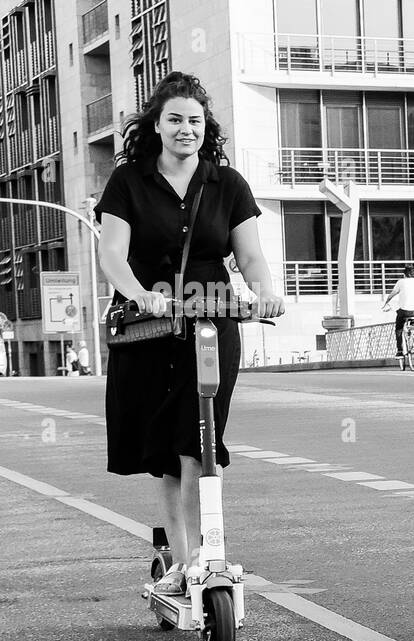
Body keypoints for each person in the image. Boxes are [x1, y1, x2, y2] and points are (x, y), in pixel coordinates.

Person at [95, 72, 284, 596]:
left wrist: (266, 290)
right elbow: (112, 254)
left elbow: (249, 256)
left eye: (194, 121)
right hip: (150, 323)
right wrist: (139, 293)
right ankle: (181, 559)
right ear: (157, 125)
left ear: (207, 128)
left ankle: (205, 554)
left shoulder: (228, 184)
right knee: (165, 449)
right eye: (174, 119)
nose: (185, 129)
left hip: (211, 321)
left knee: (199, 440)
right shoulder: (129, 181)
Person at [381, 266, 414, 358]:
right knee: (412, 326)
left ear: (405, 274)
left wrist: (386, 302)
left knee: (399, 328)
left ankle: (400, 351)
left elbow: (393, 293)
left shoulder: (401, 282)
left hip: (404, 311)